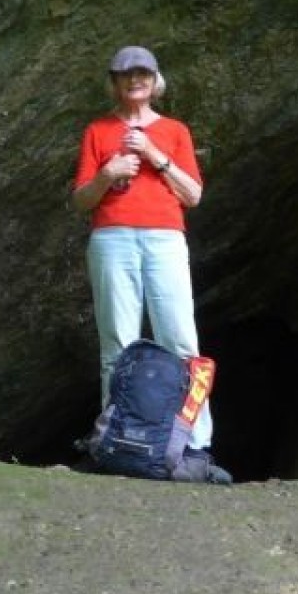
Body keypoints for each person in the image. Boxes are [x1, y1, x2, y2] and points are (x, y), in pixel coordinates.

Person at [71, 44, 227, 478]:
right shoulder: (98, 131)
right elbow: (82, 201)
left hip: (164, 239)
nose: (134, 80)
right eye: (125, 75)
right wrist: (108, 173)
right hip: (112, 238)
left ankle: (195, 447)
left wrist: (156, 157)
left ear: (155, 81)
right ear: (115, 83)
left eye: (142, 73)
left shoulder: (175, 131)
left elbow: (193, 195)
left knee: (181, 342)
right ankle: (113, 441)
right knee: (116, 344)